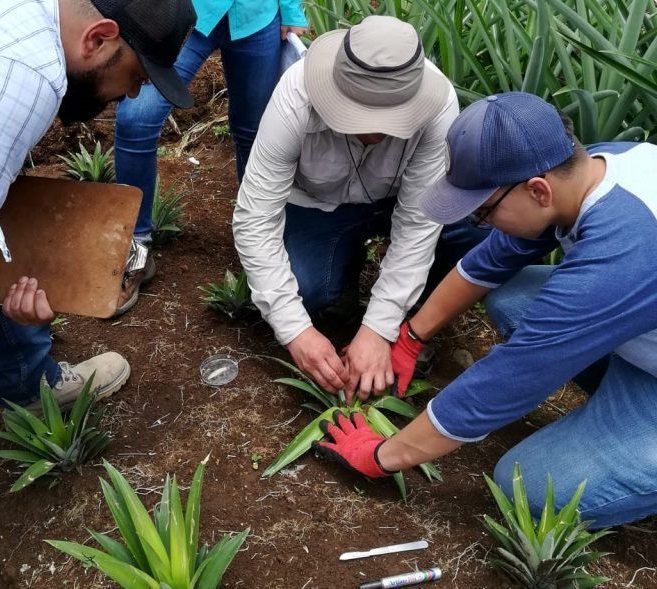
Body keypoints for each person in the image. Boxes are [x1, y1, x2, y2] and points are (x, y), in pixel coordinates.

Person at [314, 91, 657, 529]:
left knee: (527, 488)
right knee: (513, 296)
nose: (482, 222)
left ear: (537, 190)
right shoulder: (599, 167)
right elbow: (488, 262)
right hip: (640, 332)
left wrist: (382, 455)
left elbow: (512, 376)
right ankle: (612, 410)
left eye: (484, 212)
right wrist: (410, 337)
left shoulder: (620, 254)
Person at [0, 0, 196, 411]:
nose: (133, 92)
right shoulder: (23, 74)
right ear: (98, 38)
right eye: (137, 75)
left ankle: (26, 380)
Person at [232, 16, 488, 400]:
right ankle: (343, 278)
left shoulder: (437, 106)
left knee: (475, 231)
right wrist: (296, 332)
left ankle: (414, 324)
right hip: (319, 206)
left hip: (395, 200)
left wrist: (380, 328)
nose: (372, 131)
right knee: (305, 290)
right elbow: (255, 217)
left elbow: (419, 221)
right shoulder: (295, 96)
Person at [113, 0, 308, 315]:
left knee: (255, 133)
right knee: (137, 118)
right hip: (185, 12)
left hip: (255, 15)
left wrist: (291, 9)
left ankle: (262, 242)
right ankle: (134, 244)